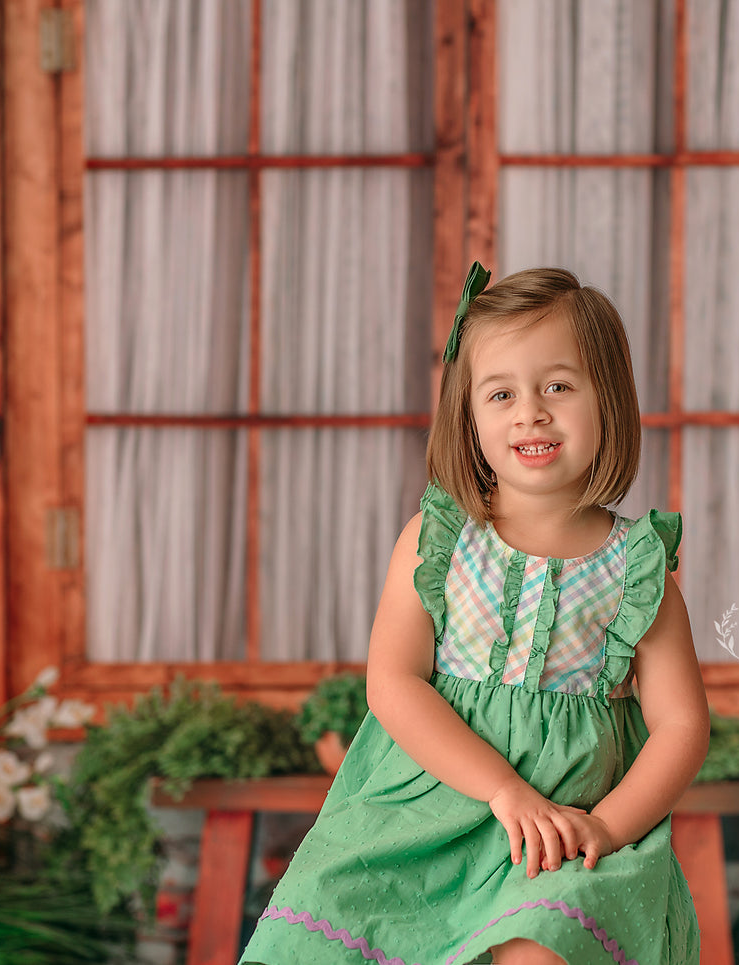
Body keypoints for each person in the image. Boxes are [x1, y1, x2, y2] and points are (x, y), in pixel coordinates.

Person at [239, 263, 709, 965]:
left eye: (557, 385)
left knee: (543, 943)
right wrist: (502, 789)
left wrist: (607, 828)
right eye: (500, 392)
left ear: (606, 399)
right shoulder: (439, 541)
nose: (530, 412)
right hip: (426, 808)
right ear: (469, 413)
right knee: (321, 927)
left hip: (563, 834)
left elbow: (680, 722)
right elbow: (394, 683)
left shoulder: (636, 565)